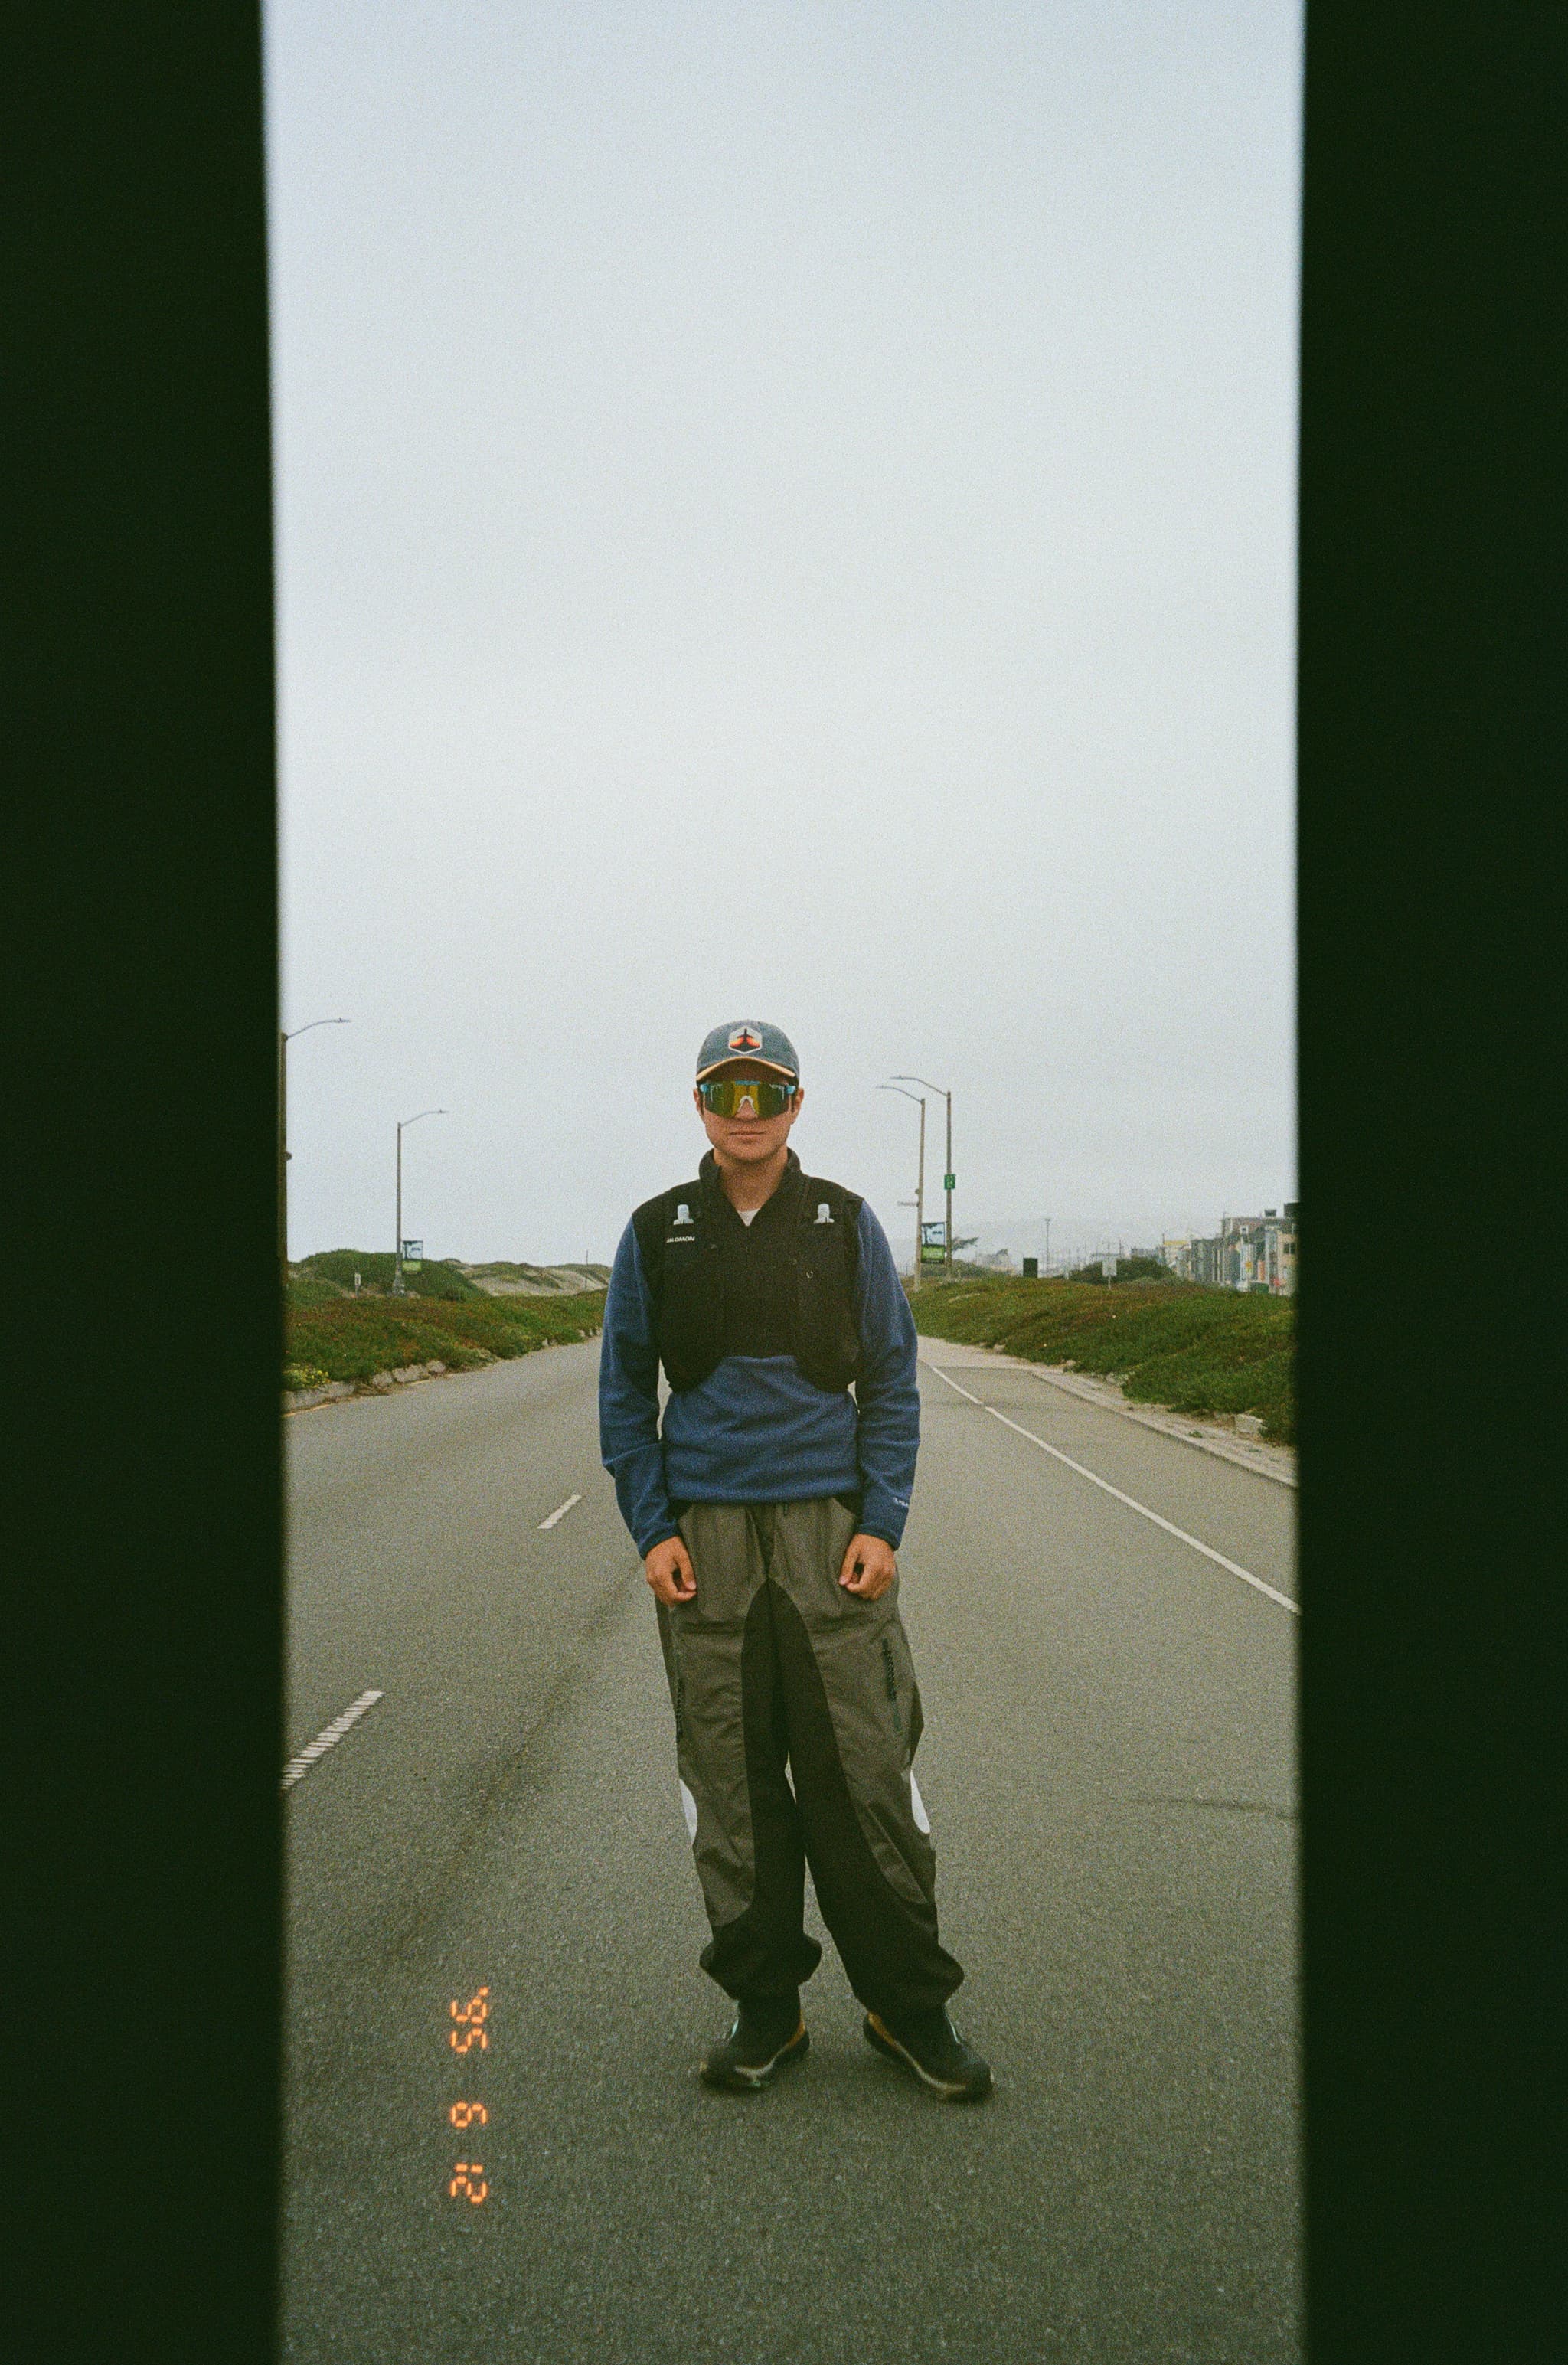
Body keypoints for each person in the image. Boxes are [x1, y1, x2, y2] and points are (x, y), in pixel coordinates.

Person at [598, 1019, 991, 2102]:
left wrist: (882, 1521)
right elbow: (626, 1397)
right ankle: (765, 2009)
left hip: (829, 1537)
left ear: (796, 1105)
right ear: (700, 1105)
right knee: (730, 1781)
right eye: (726, 1089)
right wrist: (654, 1528)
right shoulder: (655, 1231)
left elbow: (895, 1385)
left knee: (864, 1772)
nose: (746, 1108)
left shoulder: (845, 1224)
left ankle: (907, 2006)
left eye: (765, 1089)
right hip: (707, 1545)